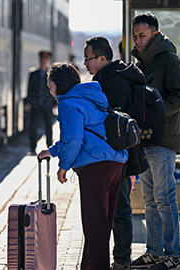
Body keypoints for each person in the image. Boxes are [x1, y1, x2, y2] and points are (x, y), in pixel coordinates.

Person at [38, 63, 128, 270]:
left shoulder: (68, 104)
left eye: (49, 83)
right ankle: (88, 266)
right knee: (102, 222)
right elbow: (83, 132)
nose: (49, 88)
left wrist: (64, 166)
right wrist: (52, 151)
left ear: (57, 84)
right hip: (114, 163)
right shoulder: (93, 96)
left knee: (94, 224)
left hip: (96, 167)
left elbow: (74, 139)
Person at [130, 13, 180, 270]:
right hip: (146, 141)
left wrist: (156, 112)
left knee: (165, 198)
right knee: (151, 201)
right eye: (134, 35)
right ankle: (154, 252)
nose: (137, 40)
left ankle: (173, 255)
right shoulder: (140, 63)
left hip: (164, 140)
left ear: (154, 34)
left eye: (141, 35)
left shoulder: (168, 60)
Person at [84, 36, 149, 270]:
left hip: (118, 154)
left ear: (102, 58)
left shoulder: (111, 81)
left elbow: (113, 121)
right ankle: (119, 259)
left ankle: (122, 260)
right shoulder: (113, 76)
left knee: (119, 209)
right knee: (117, 208)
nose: (85, 63)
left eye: (88, 58)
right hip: (120, 153)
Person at [25, 50, 57, 155]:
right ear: (40, 60)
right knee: (33, 126)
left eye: (46, 59)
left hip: (48, 104)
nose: (44, 61)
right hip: (36, 104)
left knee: (49, 126)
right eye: (43, 59)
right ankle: (32, 147)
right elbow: (29, 89)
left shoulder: (51, 74)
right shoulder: (33, 74)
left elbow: (54, 88)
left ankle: (49, 146)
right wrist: (28, 101)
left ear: (48, 61)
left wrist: (55, 101)